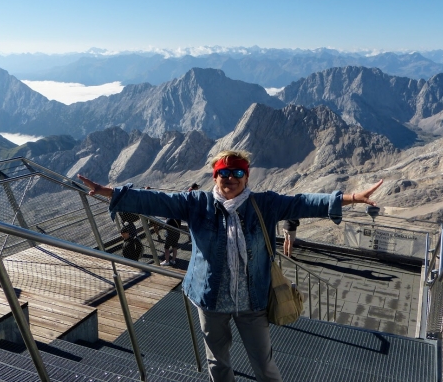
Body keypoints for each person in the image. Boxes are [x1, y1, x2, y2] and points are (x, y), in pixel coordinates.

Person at [78, 149, 382, 382]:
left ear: (247, 177)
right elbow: (155, 200)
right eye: (225, 173)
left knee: (263, 363)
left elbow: (303, 201)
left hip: (252, 300)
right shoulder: (196, 203)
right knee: (217, 361)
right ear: (215, 176)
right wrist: (109, 192)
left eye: (238, 172)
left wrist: (352, 197)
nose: (231, 178)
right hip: (211, 300)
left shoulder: (264, 203)